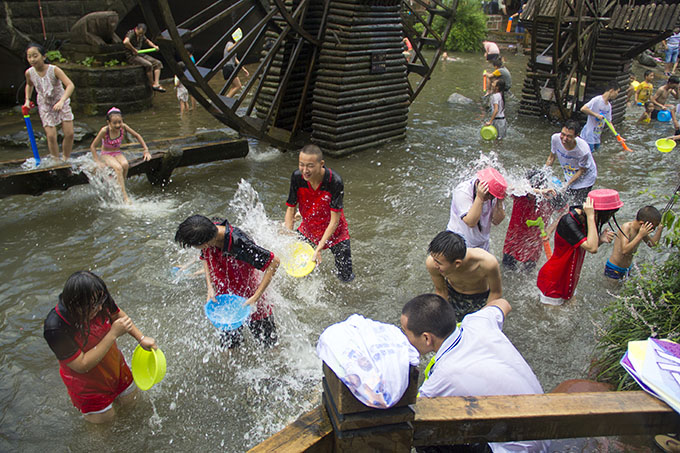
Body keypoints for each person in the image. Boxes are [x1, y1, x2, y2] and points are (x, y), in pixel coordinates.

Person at [400, 294, 548, 453]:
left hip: (518, 449)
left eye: (405, 332)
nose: (404, 338)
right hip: (546, 432)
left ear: (426, 338)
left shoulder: (444, 374)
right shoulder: (478, 322)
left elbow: (411, 416)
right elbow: (503, 303)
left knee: (425, 436)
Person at [43, 271, 157, 424]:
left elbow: (117, 315)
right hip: (88, 388)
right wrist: (112, 334)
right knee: (105, 430)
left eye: (100, 303)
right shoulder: (56, 327)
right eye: (92, 307)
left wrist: (141, 338)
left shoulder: (98, 298)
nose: (99, 309)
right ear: (75, 305)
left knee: (134, 409)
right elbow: (82, 365)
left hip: (116, 370)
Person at [175, 214, 280, 348]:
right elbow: (205, 257)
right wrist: (210, 287)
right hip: (224, 298)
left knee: (269, 346)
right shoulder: (210, 229)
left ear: (205, 243)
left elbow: (274, 262)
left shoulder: (239, 242)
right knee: (229, 347)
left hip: (249, 296)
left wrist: (256, 297)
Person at [536, 189, 620, 305]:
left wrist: (600, 240)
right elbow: (592, 248)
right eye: (610, 214)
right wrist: (591, 216)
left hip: (570, 280)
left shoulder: (586, 219)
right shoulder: (570, 221)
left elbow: (587, 246)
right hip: (554, 281)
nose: (610, 218)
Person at [285, 144, 354, 282]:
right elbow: (290, 208)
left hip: (336, 233)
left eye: (310, 166)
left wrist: (319, 248)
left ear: (321, 164)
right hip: (309, 229)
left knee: (345, 278)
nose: (305, 170)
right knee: (300, 271)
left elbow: (334, 221)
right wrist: (288, 238)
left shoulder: (335, 181)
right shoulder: (297, 178)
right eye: (301, 165)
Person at [425, 231, 502, 319]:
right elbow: (441, 291)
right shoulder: (432, 263)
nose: (434, 264)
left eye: (438, 262)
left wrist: (483, 318)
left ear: (457, 263)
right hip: (453, 293)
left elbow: (496, 292)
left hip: (480, 297)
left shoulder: (487, 263)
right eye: (433, 259)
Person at [502, 170, 564, 271]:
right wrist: (538, 191)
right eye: (532, 186)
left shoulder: (548, 198)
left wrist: (550, 229)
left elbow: (565, 211)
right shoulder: (520, 195)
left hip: (534, 247)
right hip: (512, 245)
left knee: (528, 274)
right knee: (507, 271)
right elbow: (508, 188)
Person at [24, 43, 75, 161]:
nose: (32, 59)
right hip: (45, 104)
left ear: (43, 56)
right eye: (29, 56)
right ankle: (56, 161)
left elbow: (70, 85)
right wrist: (27, 99)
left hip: (60, 101)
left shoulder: (54, 70)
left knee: (69, 134)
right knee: (51, 136)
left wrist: (62, 101)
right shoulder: (29, 73)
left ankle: (65, 158)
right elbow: (29, 84)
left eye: (35, 56)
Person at [89, 107, 151, 204]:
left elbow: (137, 136)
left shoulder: (124, 127)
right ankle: (124, 196)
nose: (118, 125)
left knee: (125, 165)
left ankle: (120, 186)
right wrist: (97, 161)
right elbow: (92, 146)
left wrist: (146, 150)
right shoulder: (104, 131)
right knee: (118, 168)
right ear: (108, 122)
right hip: (106, 154)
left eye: (120, 122)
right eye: (114, 123)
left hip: (117, 153)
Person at [446, 167, 506, 251]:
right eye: (488, 194)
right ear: (478, 183)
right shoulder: (463, 191)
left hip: (482, 244)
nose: (489, 198)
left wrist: (500, 200)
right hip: (458, 242)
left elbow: (496, 221)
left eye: (492, 196)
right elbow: (471, 222)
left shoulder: (494, 195)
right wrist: (480, 198)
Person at [545, 119, 598, 205]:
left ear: (576, 136)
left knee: (577, 206)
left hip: (585, 179)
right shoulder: (555, 138)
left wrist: (566, 185)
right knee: (557, 203)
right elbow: (551, 157)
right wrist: (544, 173)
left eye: (569, 136)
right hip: (570, 173)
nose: (564, 139)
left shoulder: (583, 150)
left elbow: (582, 170)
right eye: (563, 134)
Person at [605, 206, 663, 280]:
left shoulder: (641, 230)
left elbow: (652, 245)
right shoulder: (627, 227)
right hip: (614, 268)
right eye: (652, 228)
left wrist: (660, 229)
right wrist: (640, 235)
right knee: (613, 290)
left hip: (627, 269)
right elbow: (624, 250)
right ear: (642, 224)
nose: (653, 230)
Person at [123, 23, 165, 92]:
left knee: (157, 63)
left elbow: (147, 41)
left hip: (139, 54)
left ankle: (156, 83)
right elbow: (125, 42)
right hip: (132, 56)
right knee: (149, 65)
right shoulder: (131, 33)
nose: (140, 35)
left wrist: (154, 46)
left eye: (142, 34)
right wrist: (133, 50)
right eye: (139, 33)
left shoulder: (142, 35)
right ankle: (152, 84)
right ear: (136, 29)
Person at [579, 80, 619, 152]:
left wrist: (616, 134)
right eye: (617, 92)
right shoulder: (597, 100)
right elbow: (583, 109)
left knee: (596, 154)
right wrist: (596, 115)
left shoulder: (608, 106)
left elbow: (609, 122)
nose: (617, 94)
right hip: (589, 134)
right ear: (612, 90)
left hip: (597, 135)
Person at [184, 44, 197, 110]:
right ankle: (193, 106)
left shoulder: (190, 59)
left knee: (192, 93)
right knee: (191, 93)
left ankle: (193, 107)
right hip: (190, 76)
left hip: (190, 76)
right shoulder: (191, 57)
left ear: (188, 52)